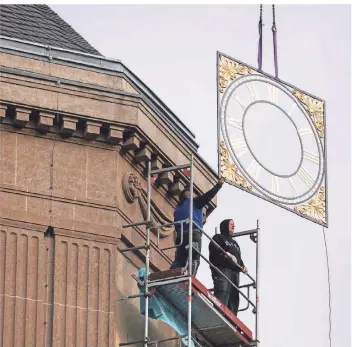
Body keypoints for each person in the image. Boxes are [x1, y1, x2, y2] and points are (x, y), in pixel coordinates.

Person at [170, 177, 225, 276]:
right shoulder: (193, 202)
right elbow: (208, 196)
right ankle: (190, 279)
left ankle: (170, 277)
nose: (195, 195)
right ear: (188, 195)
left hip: (181, 236)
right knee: (194, 258)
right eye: (193, 194)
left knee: (179, 260)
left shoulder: (177, 209)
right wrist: (219, 185)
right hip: (193, 232)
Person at [209, 219, 247, 316]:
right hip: (223, 268)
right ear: (225, 225)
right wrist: (224, 254)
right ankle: (218, 315)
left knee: (234, 296)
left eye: (234, 224)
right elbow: (214, 249)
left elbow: (238, 258)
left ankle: (232, 319)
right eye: (231, 224)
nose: (233, 226)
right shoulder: (218, 237)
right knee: (223, 291)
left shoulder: (235, 244)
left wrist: (242, 266)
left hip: (234, 272)